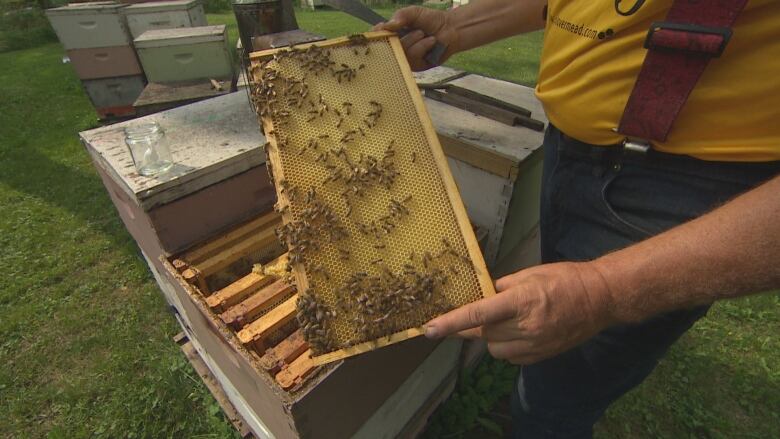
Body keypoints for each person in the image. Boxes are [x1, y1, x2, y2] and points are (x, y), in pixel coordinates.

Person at [375, 1, 780, 437]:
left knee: (561, 391)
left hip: (685, 181)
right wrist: (457, 24)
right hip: (567, 145)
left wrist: (599, 290)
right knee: (549, 350)